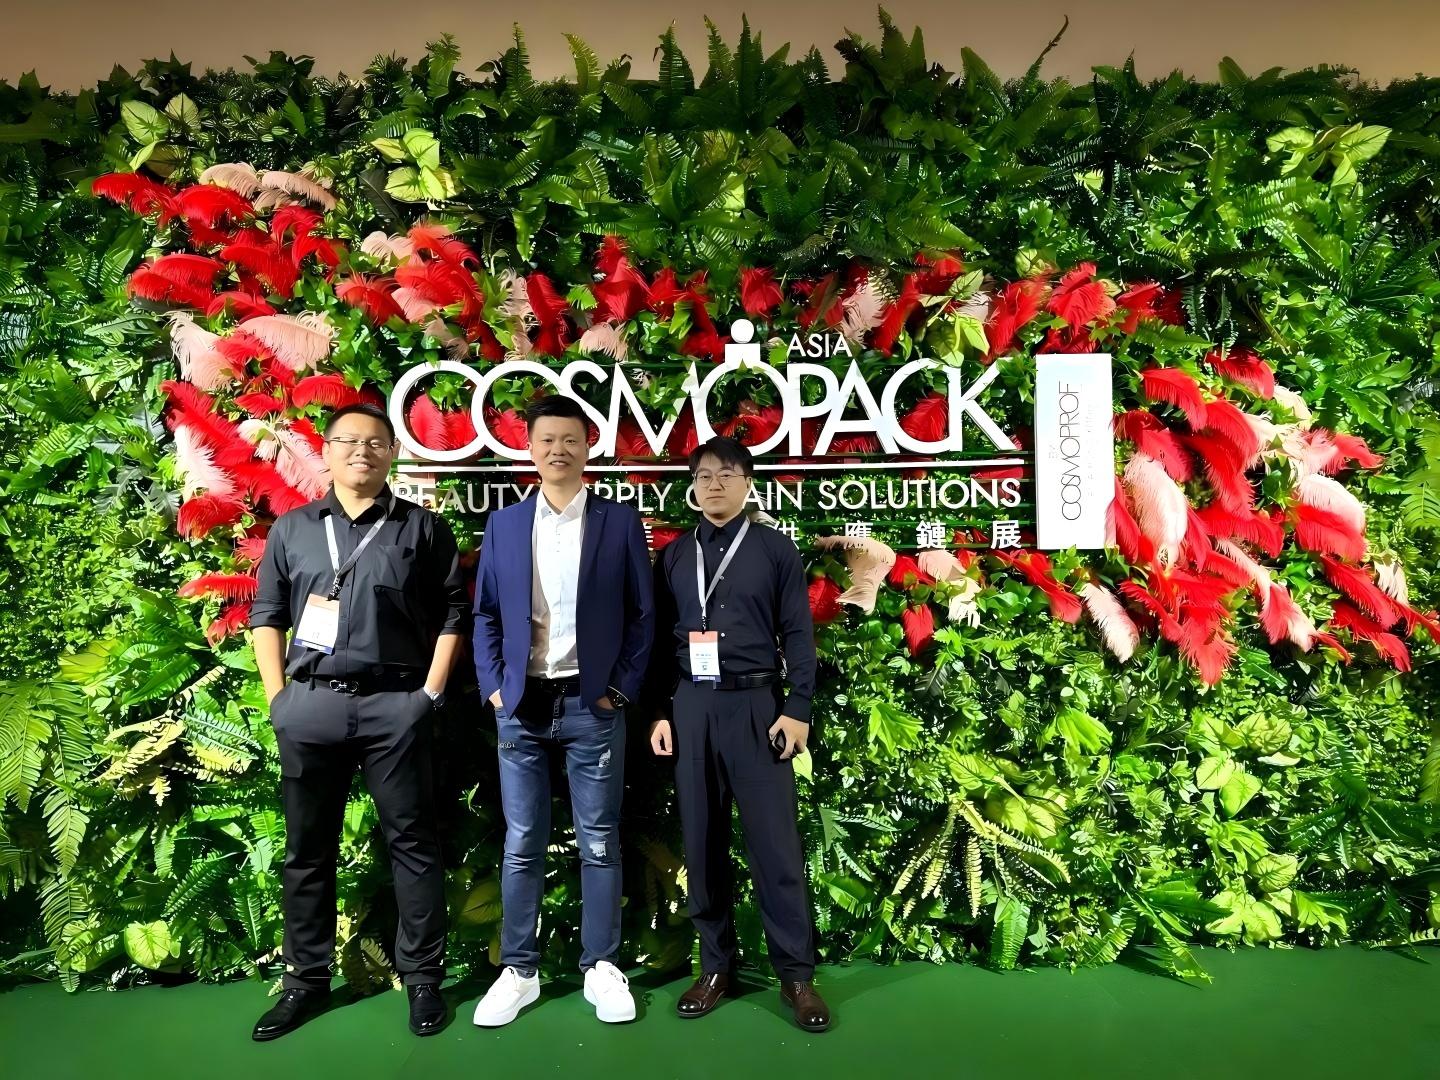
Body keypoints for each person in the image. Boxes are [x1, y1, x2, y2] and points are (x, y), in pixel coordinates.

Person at [248, 402, 469, 1041]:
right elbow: (268, 614)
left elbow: (453, 614)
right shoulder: (292, 529)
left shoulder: (421, 529)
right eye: (348, 440)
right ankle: (305, 982)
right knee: (306, 848)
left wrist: (427, 695)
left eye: (375, 442)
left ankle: (423, 980)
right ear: (326, 451)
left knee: (413, 843)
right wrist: (279, 700)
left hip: (394, 706)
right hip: (310, 706)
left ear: (392, 452)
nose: (361, 451)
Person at [470, 394, 654, 1027]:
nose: (558, 450)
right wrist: (494, 686)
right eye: (547, 440)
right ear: (529, 448)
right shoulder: (505, 525)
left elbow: (642, 615)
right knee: (522, 840)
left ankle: (601, 966)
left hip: (590, 704)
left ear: (588, 446)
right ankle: (519, 971)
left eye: (570, 439)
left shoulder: (618, 523)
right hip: (520, 705)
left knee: (599, 840)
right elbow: (486, 613)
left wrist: (619, 690)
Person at [647, 435, 830, 1032]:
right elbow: (660, 640)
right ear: (693, 487)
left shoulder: (775, 550)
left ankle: (796, 976)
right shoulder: (675, 555)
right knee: (701, 844)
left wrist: (797, 707)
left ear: (749, 484)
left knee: (775, 846)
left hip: (757, 706)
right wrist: (660, 712)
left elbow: (798, 633)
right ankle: (716, 968)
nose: (715, 484)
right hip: (692, 707)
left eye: (727, 474)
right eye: (704, 476)